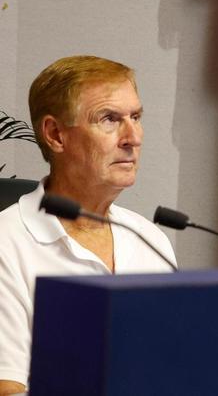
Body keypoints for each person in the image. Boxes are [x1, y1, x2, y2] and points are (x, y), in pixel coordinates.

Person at [0, 57, 176, 394]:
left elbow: (172, 366)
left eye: (136, 118)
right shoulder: (7, 244)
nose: (133, 138)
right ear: (55, 135)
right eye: (110, 119)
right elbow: (9, 389)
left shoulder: (149, 239)